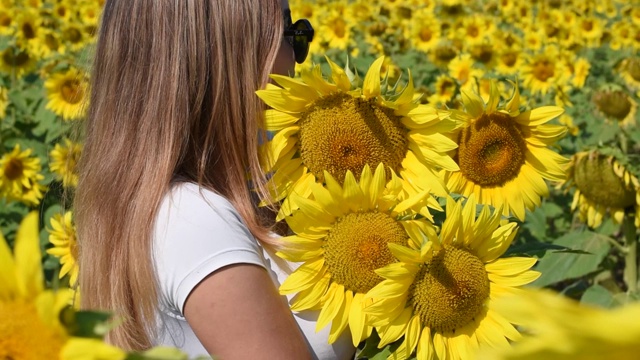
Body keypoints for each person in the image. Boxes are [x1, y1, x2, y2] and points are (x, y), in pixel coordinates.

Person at [74, 1, 356, 359]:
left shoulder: (247, 180)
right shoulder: (194, 219)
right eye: (289, 33)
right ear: (232, 56)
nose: (298, 59)